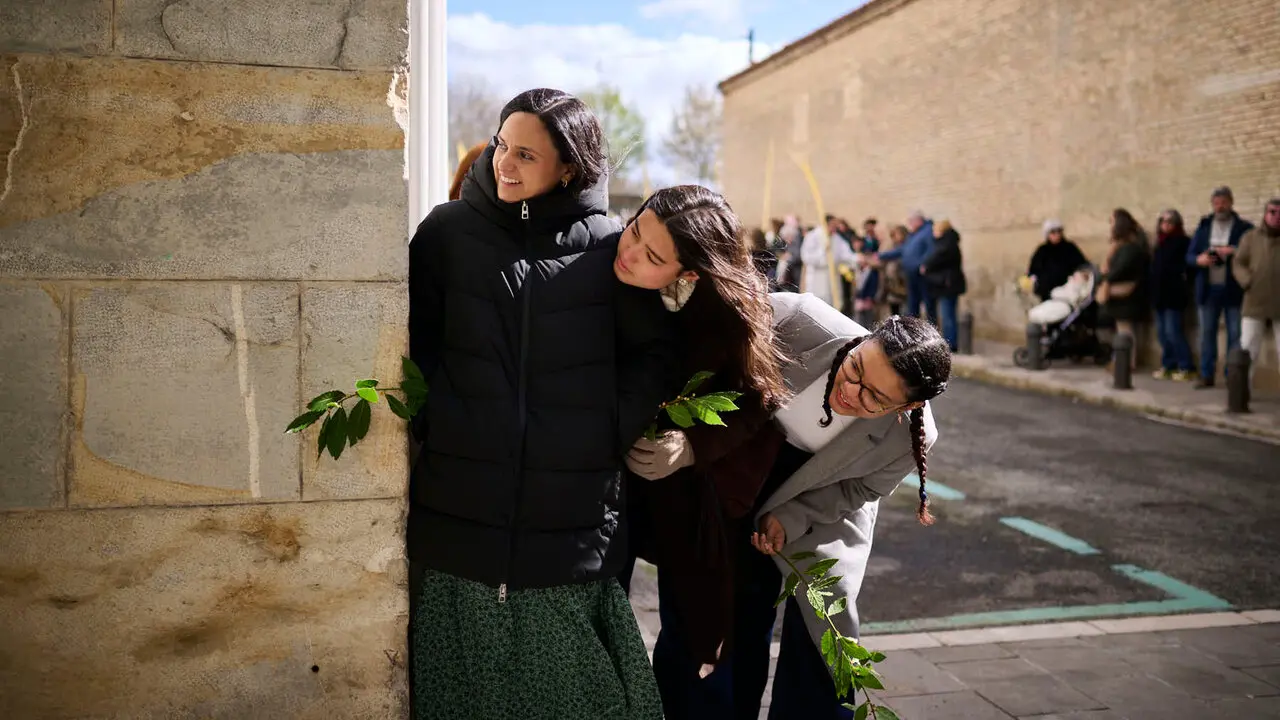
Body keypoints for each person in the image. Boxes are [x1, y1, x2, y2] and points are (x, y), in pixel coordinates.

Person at [407, 88, 676, 720]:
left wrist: (606, 431)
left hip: (574, 525)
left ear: (570, 167)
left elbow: (653, 355)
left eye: (525, 154)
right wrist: (438, 419)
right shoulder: (446, 234)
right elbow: (413, 346)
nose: (504, 163)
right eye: (503, 145)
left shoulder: (612, 248)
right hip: (460, 518)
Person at [610, 184, 791, 719]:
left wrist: (692, 446)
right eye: (636, 228)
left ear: (688, 274)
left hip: (698, 498)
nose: (631, 251)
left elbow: (759, 398)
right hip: (610, 484)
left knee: (696, 643)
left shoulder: (731, 309)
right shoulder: (605, 264)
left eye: (653, 257)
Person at [740, 300, 950, 720]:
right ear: (863, 340)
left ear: (904, 409)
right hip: (743, 456)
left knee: (825, 625)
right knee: (738, 606)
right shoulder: (796, 319)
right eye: (855, 368)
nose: (849, 392)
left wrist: (794, 516)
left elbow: (860, 488)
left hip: (825, 491)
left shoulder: (913, 436)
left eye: (874, 397)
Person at [1186, 186, 1254, 388]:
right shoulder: (1204, 227)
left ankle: (1231, 376)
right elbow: (1189, 256)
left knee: (1235, 334)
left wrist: (1232, 250)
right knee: (1207, 334)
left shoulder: (1244, 228)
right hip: (1208, 290)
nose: (1219, 206)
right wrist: (1199, 259)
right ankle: (1206, 374)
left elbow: (1252, 255)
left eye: (1223, 202)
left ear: (1231, 203)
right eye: (1216, 203)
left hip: (1233, 290)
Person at [1233, 197, 1280, 388]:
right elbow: (1238, 262)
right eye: (1272, 212)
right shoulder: (1250, 237)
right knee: (1248, 348)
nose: (1276, 217)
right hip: (1254, 301)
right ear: (1265, 214)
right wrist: (1247, 280)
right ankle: (1241, 392)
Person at [1099, 208, 1151, 370]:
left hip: (1127, 295)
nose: (1110, 226)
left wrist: (1107, 279)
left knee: (1125, 330)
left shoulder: (1131, 248)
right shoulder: (1123, 246)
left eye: (1112, 222)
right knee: (1122, 329)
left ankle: (1127, 363)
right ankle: (1123, 361)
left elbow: (1116, 270)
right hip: (1123, 295)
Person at [1149, 209, 1195, 380]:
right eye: (1163, 222)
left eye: (1170, 222)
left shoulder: (1183, 242)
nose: (1166, 225)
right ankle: (1169, 364)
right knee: (1162, 333)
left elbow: (1188, 267)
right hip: (1159, 295)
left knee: (1173, 331)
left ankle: (1186, 366)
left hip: (1174, 294)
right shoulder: (1159, 243)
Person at [874, 211, 936, 322]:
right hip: (911, 275)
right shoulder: (913, 235)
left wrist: (924, 264)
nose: (909, 224)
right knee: (912, 307)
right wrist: (881, 255)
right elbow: (902, 250)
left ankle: (932, 333)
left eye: (911, 221)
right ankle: (913, 333)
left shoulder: (927, 231)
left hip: (922, 274)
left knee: (928, 306)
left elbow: (931, 250)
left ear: (918, 221)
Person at [920, 219, 967, 351]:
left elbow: (936, 258)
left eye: (935, 229)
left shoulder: (947, 244)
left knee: (948, 316)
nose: (933, 232)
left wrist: (925, 266)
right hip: (946, 283)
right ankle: (949, 342)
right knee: (948, 314)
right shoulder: (947, 242)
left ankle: (950, 344)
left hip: (948, 284)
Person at [801, 214, 857, 308]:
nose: (835, 228)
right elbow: (806, 257)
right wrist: (823, 251)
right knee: (817, 306)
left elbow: (846, 255)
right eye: (833, 225)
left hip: (832, 280)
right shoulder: (813, 236)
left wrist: (858, 259)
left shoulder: (837, 238)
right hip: (817, 278)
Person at [1027, 220, 1088, 302]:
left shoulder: (1070, 248)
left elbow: (1082, 266)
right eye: (1053, 232)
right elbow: (1033, 271)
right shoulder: (1042, 251)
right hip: (1048, 293)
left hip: (1069, 292)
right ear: (1047, 235)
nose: (1057, 235)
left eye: (1059, 231)